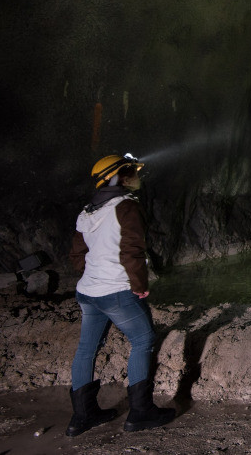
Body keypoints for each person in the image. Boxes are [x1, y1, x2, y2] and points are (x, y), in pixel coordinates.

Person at [67, 153, 175, 436]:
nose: (136, 176)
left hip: (87, 291)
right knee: (143, 339)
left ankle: (81, 416)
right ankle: (140, 412)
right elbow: (132, 251)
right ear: (119, 177)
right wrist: (139, 285)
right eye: (131, 172)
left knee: (86, 349)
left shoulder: (87, 211)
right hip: (115, 290)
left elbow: (78, 255)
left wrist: (94, 273)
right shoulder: (126, 207)